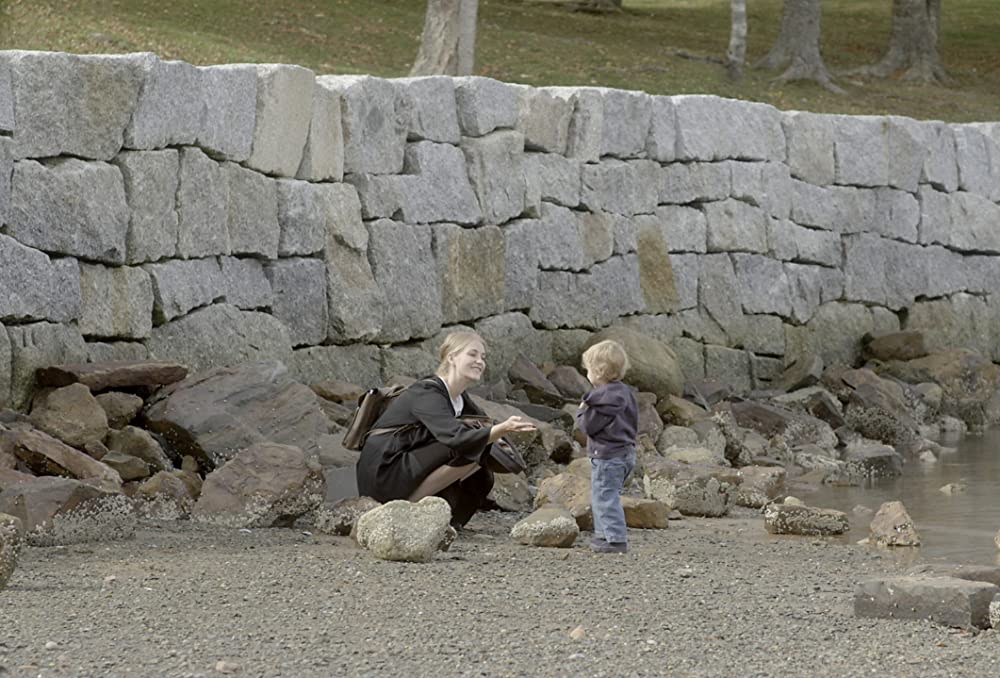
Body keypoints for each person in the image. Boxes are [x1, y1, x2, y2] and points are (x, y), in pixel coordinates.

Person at [356, 331, 536, 528]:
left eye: (483, 357)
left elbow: (483, 426)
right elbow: (456, 438)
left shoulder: (460, 399)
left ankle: (445, 518)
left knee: (483, 458)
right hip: (384, 469)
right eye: (472, 354)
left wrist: (503, 441)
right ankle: (402, 509)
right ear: (451, 357)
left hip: (406, 463)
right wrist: (502, 429)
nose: (480, 361)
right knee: (472, 446)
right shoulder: (427, 392)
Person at [576, 339, 639, 554]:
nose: (587, 374)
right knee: (606, 494)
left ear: (598, 372)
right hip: (626, 452)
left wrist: (582, 410)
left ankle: (615, 538)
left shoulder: (599, 401)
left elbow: (588, 426)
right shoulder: (625, 393)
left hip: (607, 455)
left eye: (588, 370)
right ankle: (604, 535)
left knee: (604, 495)